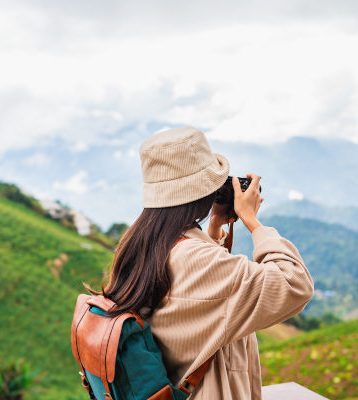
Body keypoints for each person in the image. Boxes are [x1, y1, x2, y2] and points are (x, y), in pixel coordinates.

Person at [99, 126, 314, 399]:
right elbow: (294, 284)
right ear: (203, 192)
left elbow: (199, 295)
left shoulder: (138, 244)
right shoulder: (197, 260)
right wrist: (252, 221)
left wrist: (214, 227)